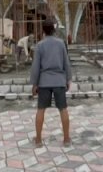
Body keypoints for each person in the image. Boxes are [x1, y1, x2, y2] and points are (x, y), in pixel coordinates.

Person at [29, 17, 72, 147]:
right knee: (63, 109)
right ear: (54, 30)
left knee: (41, 109)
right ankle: (66, 139)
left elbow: (35, 66)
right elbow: (66, 62)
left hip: (44, 82)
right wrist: (68, 79)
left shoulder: (40, 45)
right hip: (59, 81)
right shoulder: (61, 43)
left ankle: (38, 140)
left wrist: (34, 84)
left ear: (43, 30)